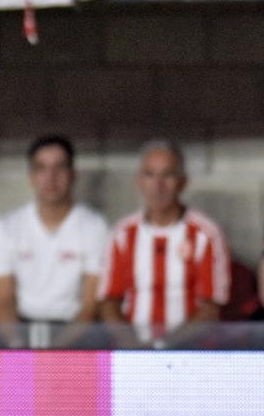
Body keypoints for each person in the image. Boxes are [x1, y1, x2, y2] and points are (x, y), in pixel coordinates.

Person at [99, 140, 230, 342]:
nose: (158, 185)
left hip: (190, 354)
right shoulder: (122, 233)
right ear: (139, 181)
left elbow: (210, 308)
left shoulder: (206, 233)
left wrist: (165, 346)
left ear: (183, 182)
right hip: (133, 353)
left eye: (168, 175)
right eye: (150, 175)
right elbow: (110, 301)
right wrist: (132, 345)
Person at [0, 135, 108, 342]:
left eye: (59, 168)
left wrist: (55, 352)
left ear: (72, 174)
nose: (51, 178)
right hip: (22, 326)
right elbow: (3, 300)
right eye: (41, 168)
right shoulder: (6, 226)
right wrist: (17, 345)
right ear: (31, 176)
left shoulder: (95, 226)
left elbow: (90, 306)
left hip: (75, 331)